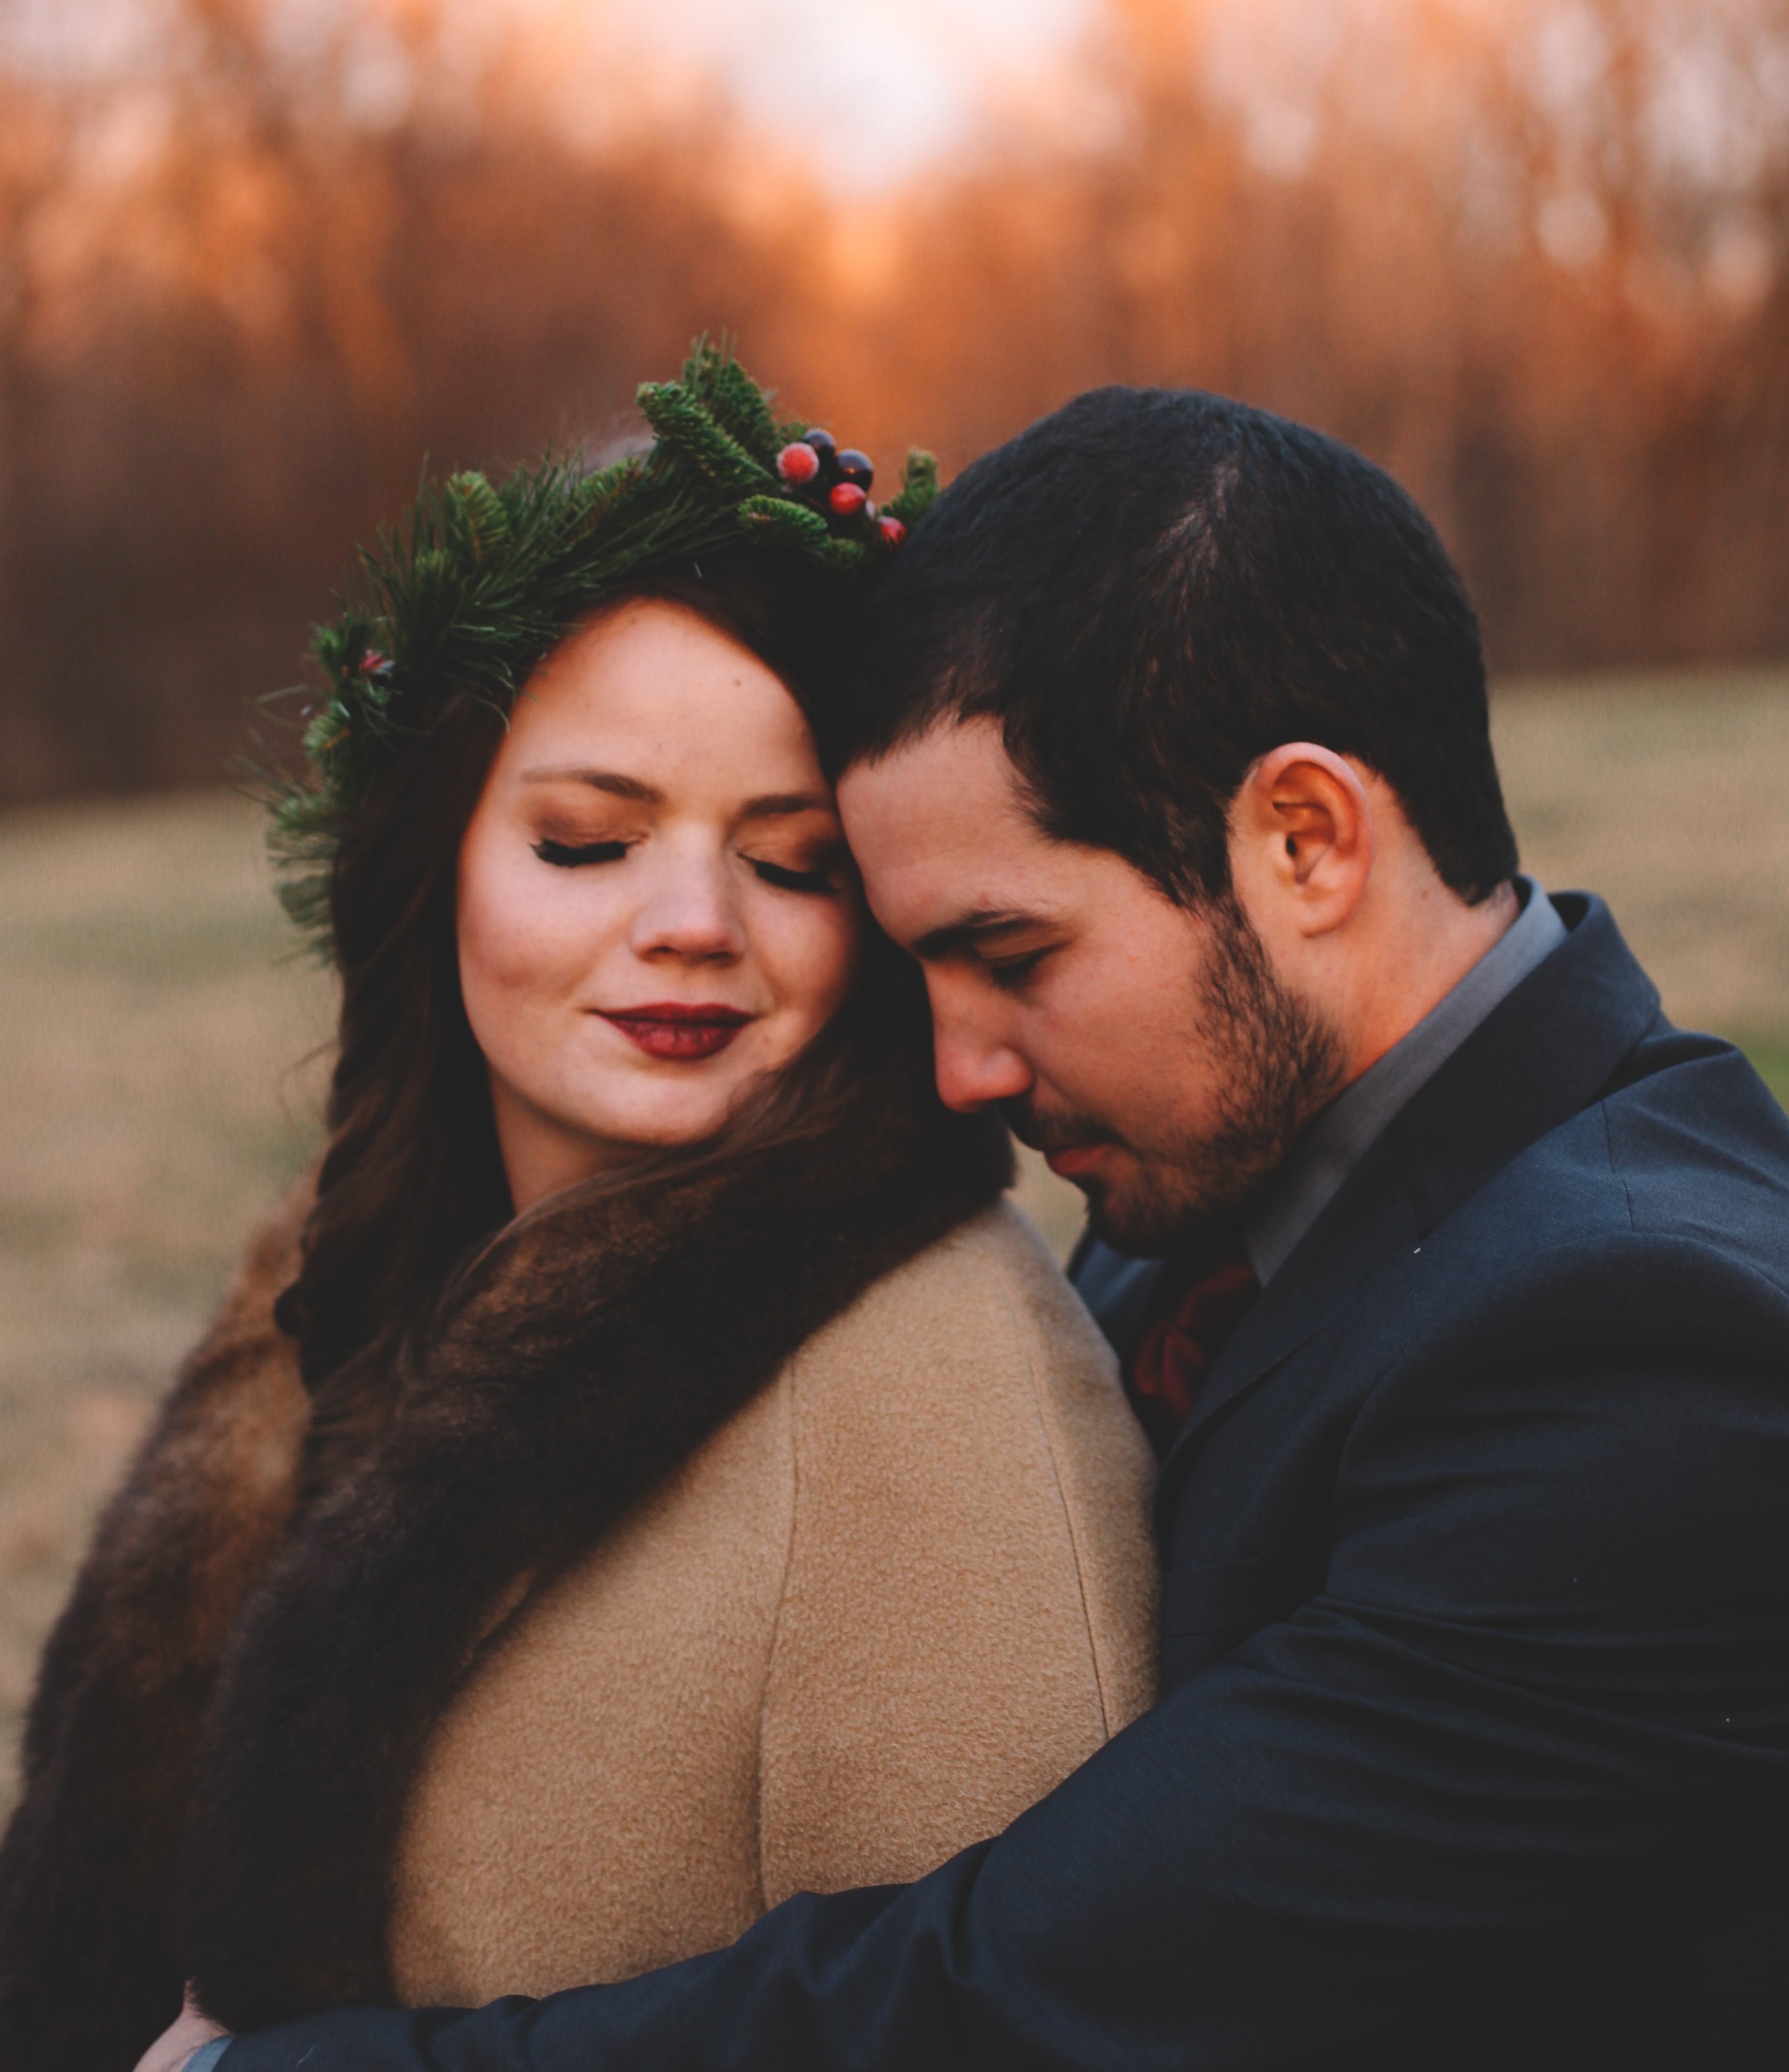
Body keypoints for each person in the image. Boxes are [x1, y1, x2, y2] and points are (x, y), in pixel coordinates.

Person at [162, 382, 1789, 2072]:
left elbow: (1034, 1997)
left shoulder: (1648, 1361)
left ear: (1303, 840)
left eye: (1011, 959)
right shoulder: (1220, 1195)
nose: (957, 1071)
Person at [0, 349, 1159, 2072]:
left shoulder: (933, 1383)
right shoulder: (346, 1284)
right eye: (587, 841)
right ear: (438, 856)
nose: (694, 919)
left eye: (790, 861)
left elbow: (1010, 2033)